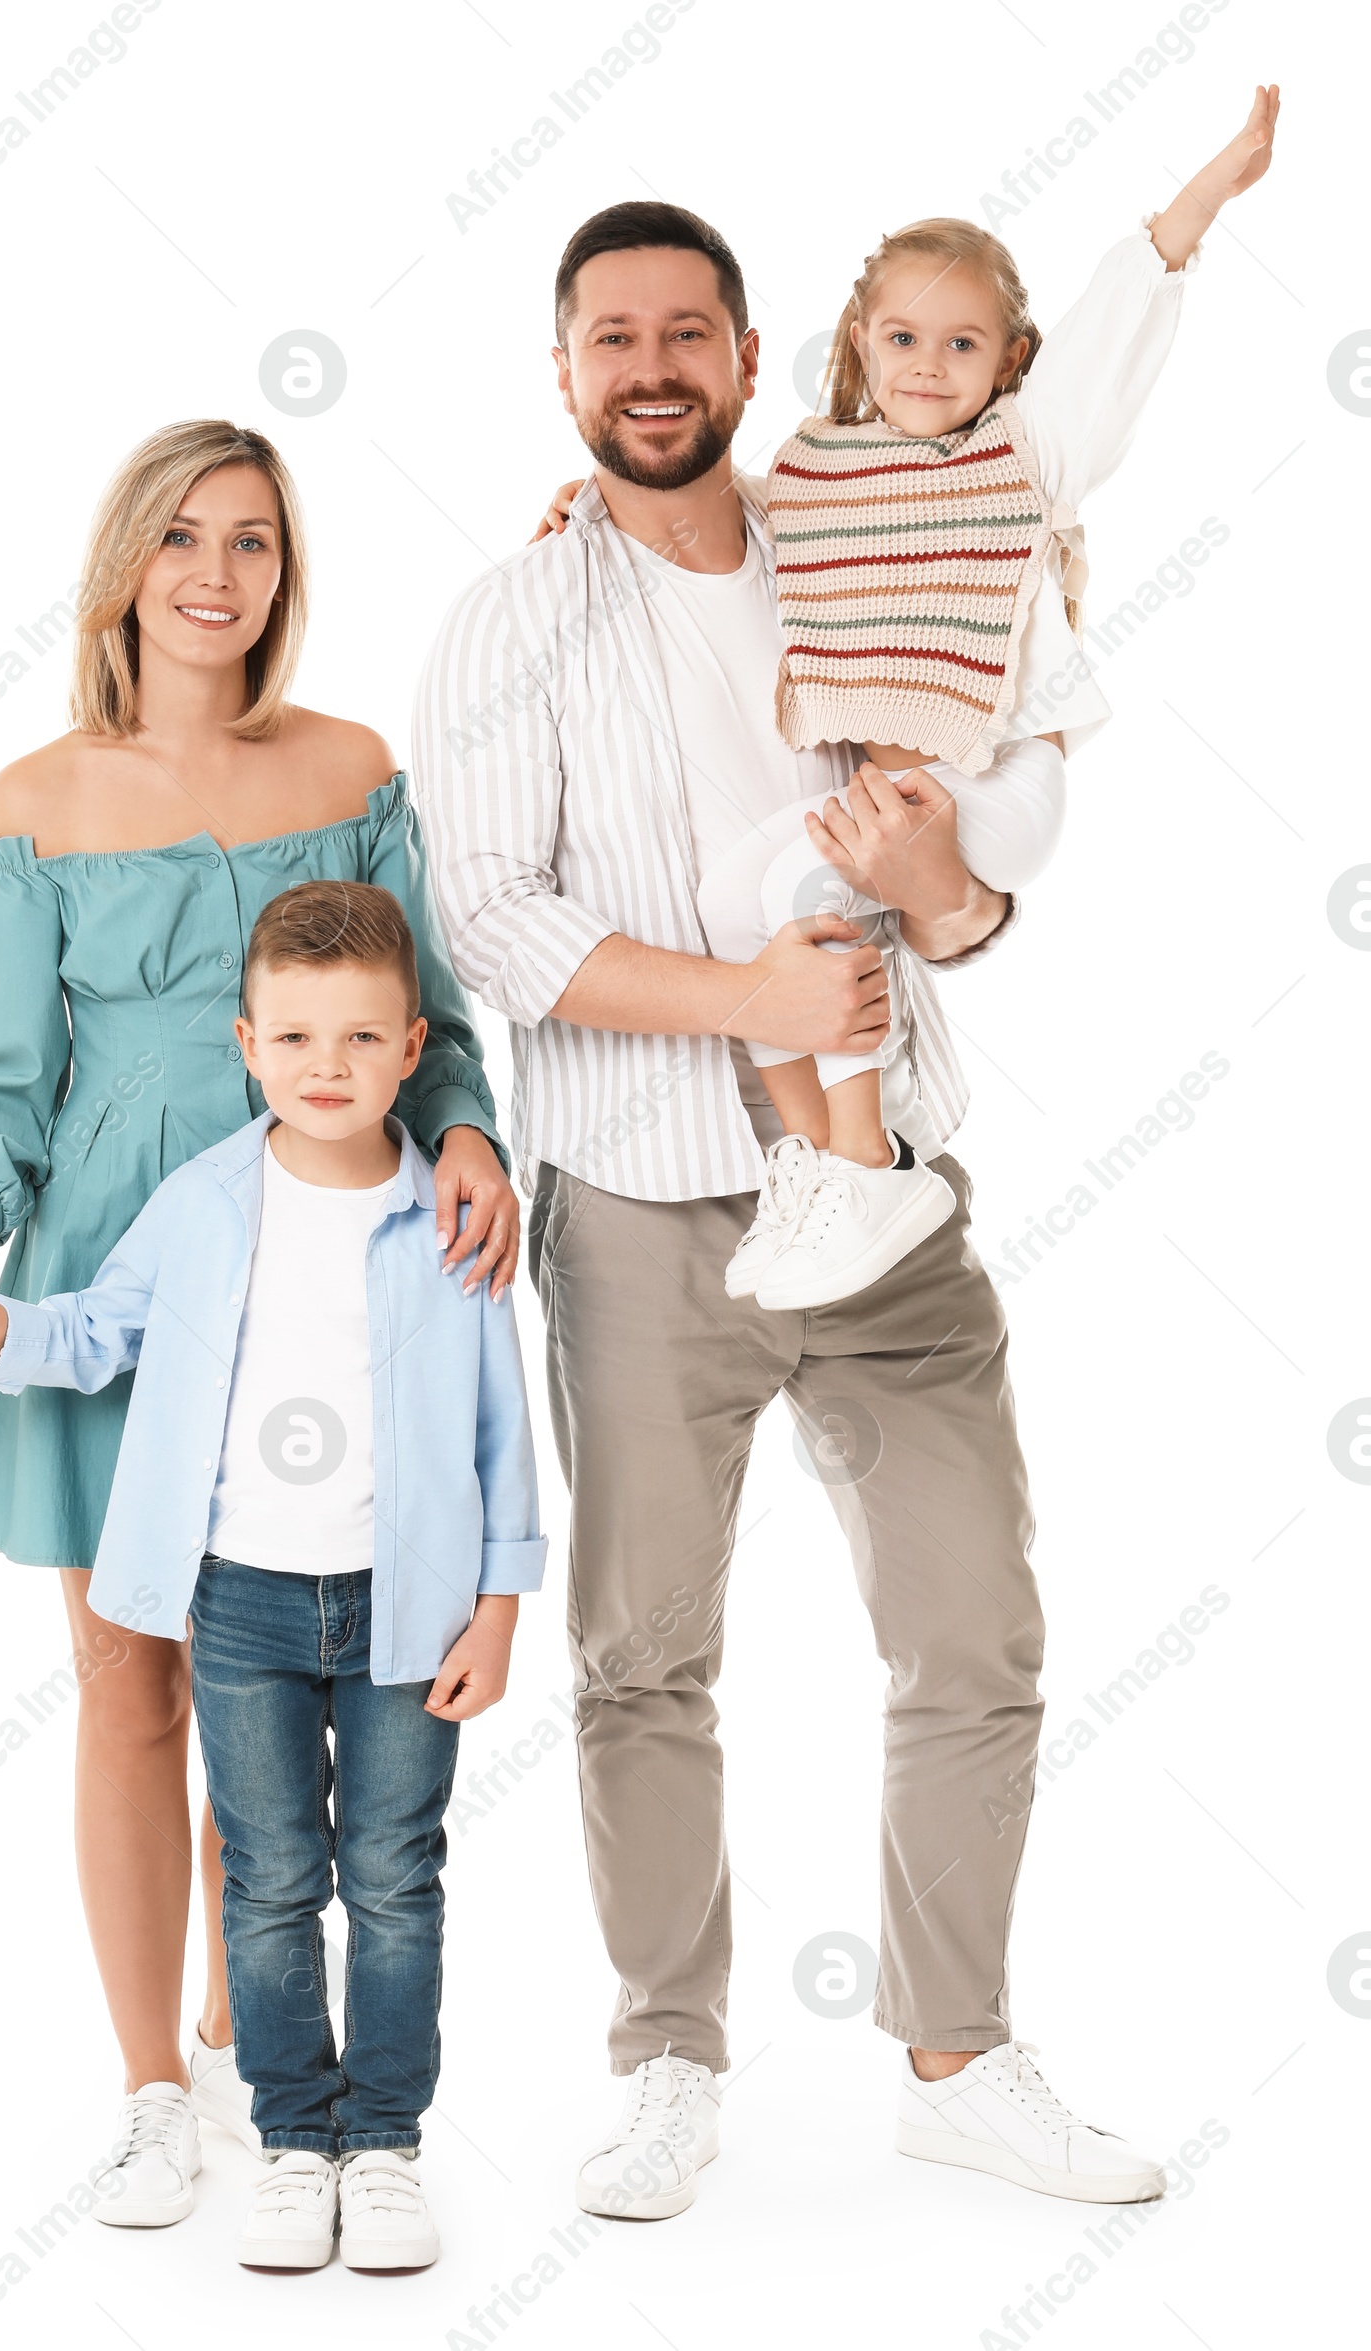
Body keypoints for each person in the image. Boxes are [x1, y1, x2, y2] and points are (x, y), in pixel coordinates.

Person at [411, 197, 1177, 2218]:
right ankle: (665, 2058)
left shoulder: (863, 540)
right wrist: (743, 997)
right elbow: (489, 913)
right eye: (609, 337)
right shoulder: (511, 613)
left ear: (757, 362)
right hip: (643, 1210)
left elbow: (962, 885)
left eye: (687, 330)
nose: (649, 366)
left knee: (972, 1629)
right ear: (562, 374)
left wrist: (942, 890)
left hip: (884, 1192)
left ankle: (955, 2051)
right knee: (642, 1655)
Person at [0, 421, 518, 2215]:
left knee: (302, 1671)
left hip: (335, 1249)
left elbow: (432, 1016)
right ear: (126, 570)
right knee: (131, 1675)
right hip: (109, 1260)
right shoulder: (34, 803)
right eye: (182, 541)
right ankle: (159, 2081)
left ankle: (269, 2040)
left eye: (252, 541)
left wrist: (462, 1135)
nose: (218, 575)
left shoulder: (352, 762)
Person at [0, 881, 546, 2271]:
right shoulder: (201, 1203)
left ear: (412, 1047)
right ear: (247, 1042)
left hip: (405, 1606)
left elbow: (500, 1425)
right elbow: (100, 1326)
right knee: (271, 1874)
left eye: (360, 1040)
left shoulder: (448, 1220)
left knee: (396, 1874)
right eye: (296, 1037)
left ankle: (388, 2143)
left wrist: (499, 1597)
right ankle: (295, 2139)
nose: (327, 1067)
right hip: (238, 1597)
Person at [541, 88, 1281, 1312]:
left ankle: (865, 1156)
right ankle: (812, 1166)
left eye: (962, 344)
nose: (930, 367)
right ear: (858, 346)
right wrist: (577, 508)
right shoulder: (823, 473)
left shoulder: (1022, 452)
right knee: (733, 892)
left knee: (797, 892)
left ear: (1010, 362)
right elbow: (707, 507)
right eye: (902, 341)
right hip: (901, 786)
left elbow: (1116, 326)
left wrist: (1197, 201)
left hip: (999, 779)